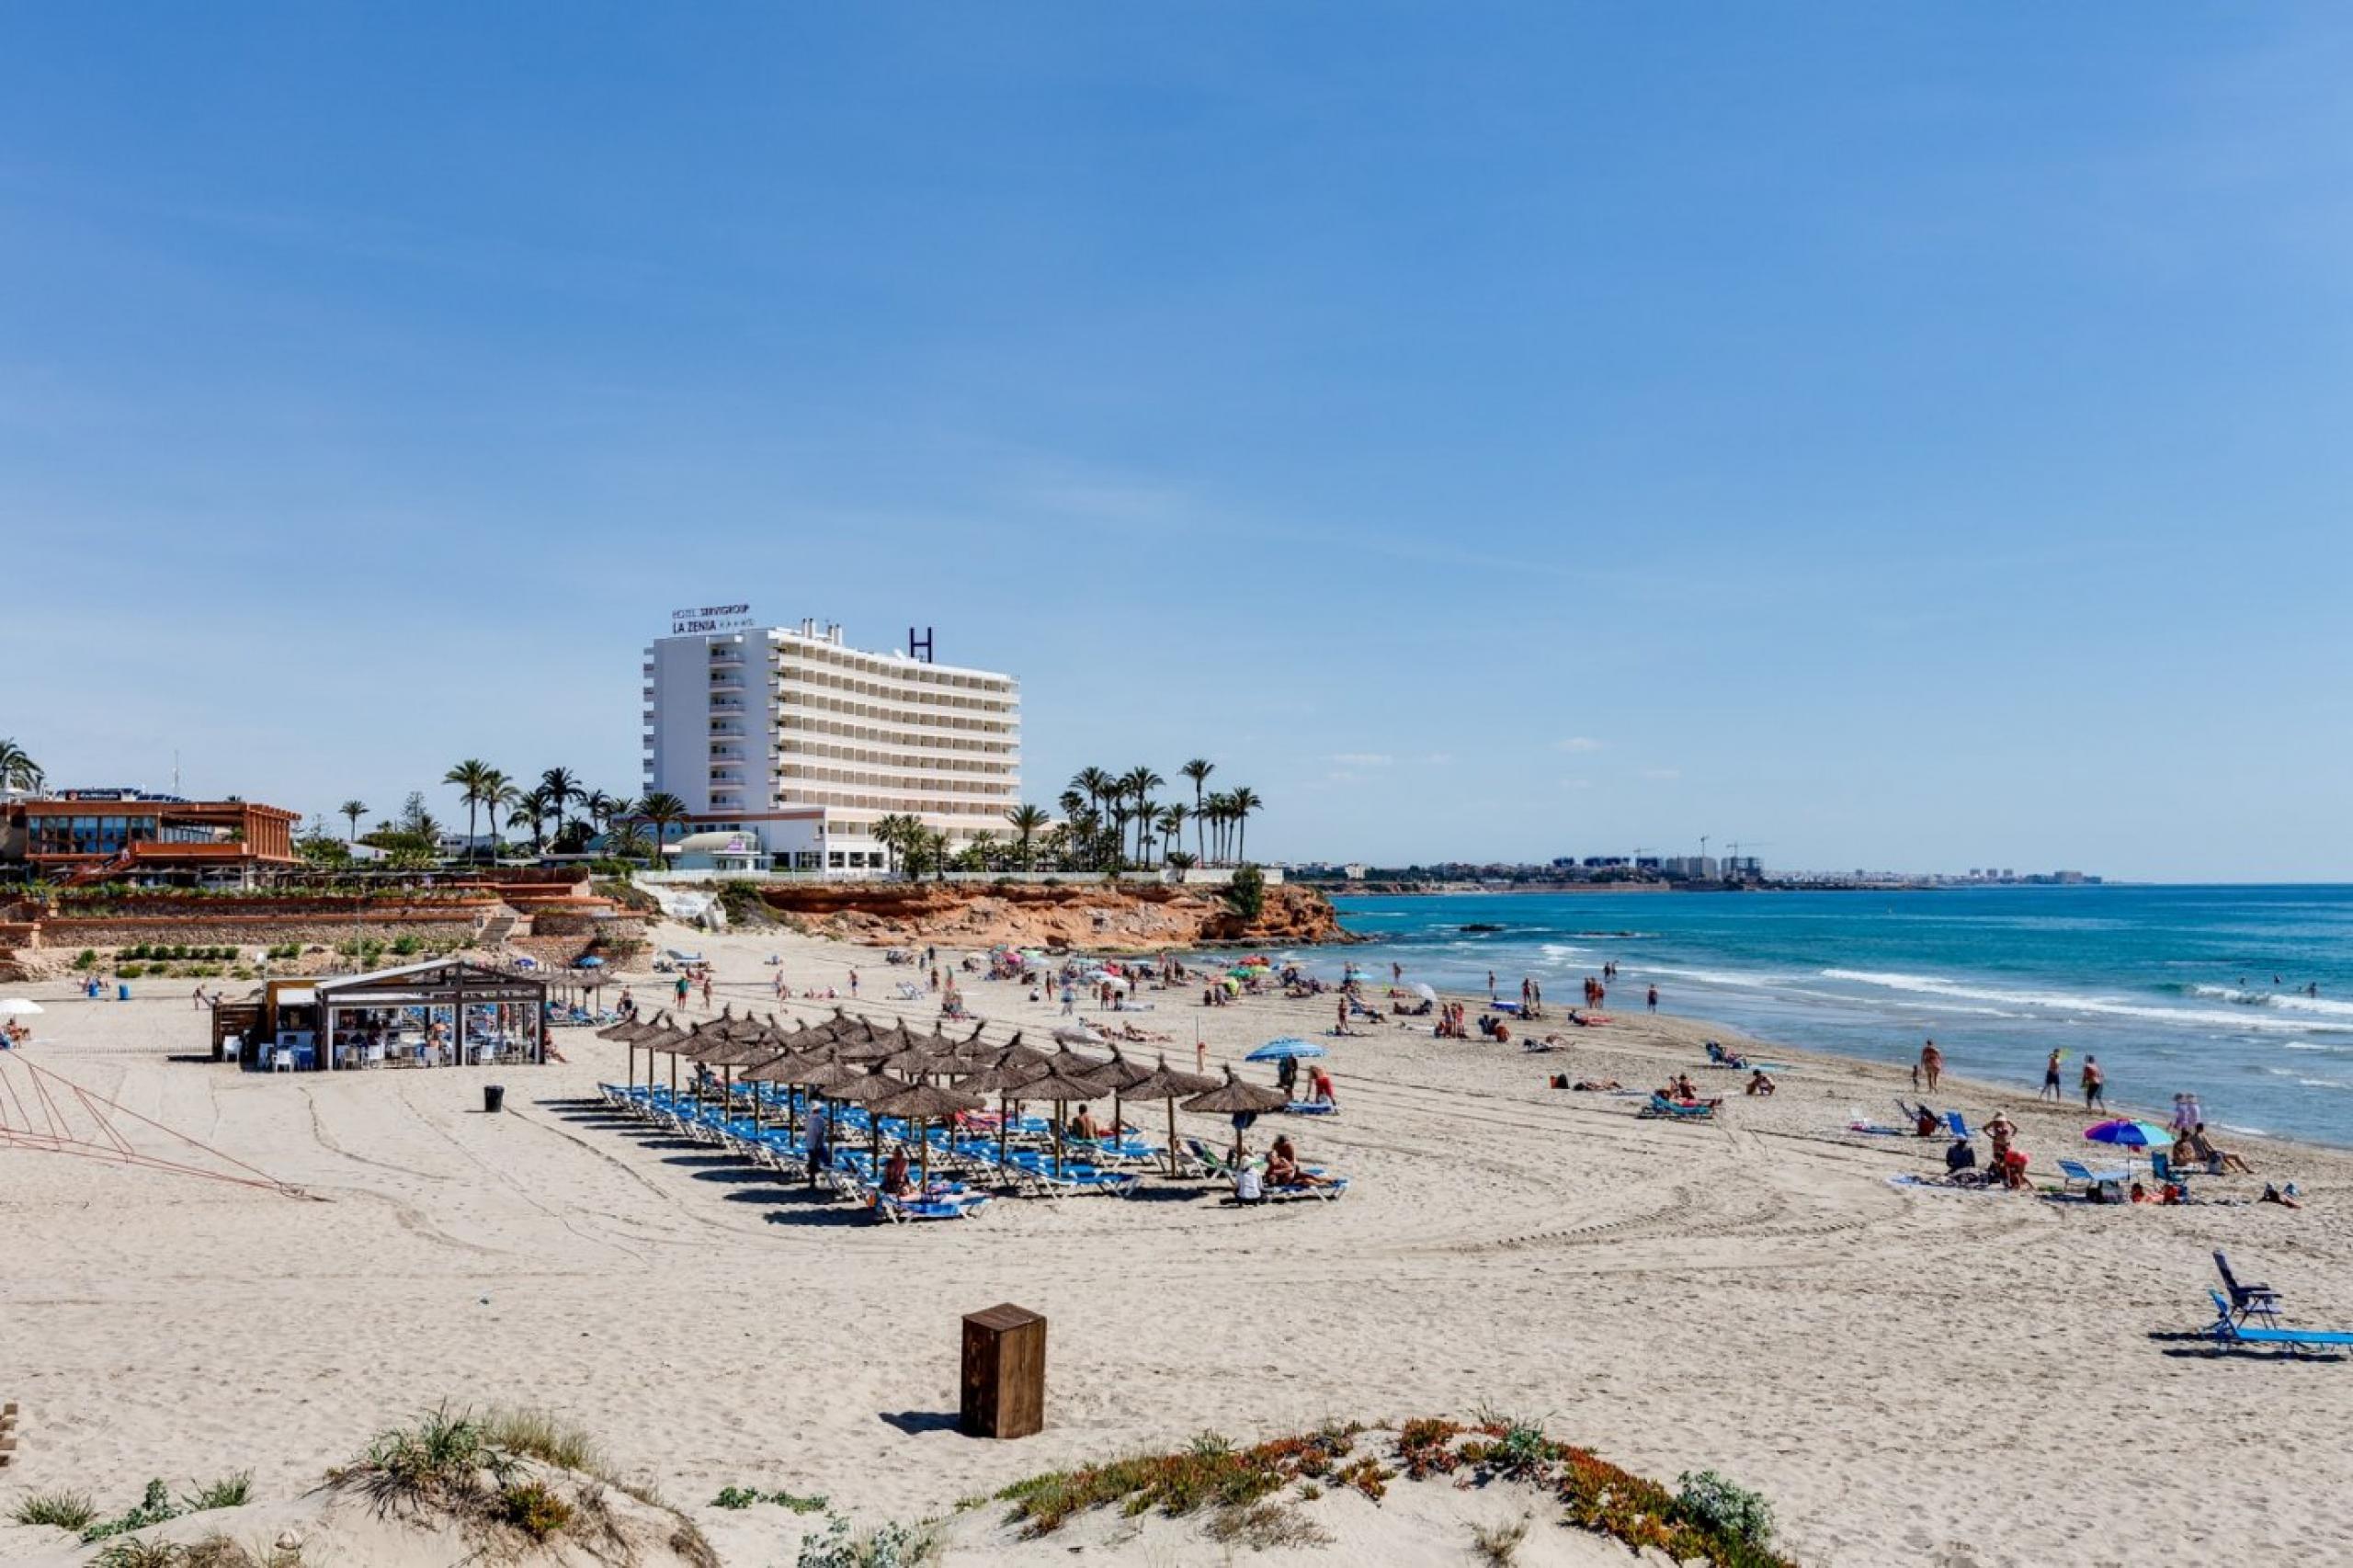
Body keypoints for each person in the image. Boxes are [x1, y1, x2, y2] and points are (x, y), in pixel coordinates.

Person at [1267, 1133, 1332, 1187]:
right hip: (1286, 1170)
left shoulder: (1289, 1146)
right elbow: (1273, 1158)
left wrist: (1290, 1169)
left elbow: (1293, 1160)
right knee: (1305, 1180)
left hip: (1291, 1166)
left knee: (1310, 1176)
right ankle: (1321, 1184)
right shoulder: (1276, 1147)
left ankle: (1329, 1180)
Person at [2188, 1124, 2254, 1175]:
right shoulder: (2202, 1136)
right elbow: (2210, 1147)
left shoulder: (2191, 1138)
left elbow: (2196, 1148)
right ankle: (2247, 1170)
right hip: (2209, 1155)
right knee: (2235, 1155)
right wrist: (2217, 1150)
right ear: (2202, 1129)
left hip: (2200, 1156)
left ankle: (2235, 1169)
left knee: (2224, 1155)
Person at [803, 1102, 832, 1187]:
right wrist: (817, 1145)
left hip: (809, 1144)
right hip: (817, 1145)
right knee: (827, 1162)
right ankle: (826, 1178)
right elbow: (820, 1134)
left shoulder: (808, 1119)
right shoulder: (820, 1120)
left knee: (812, 1163)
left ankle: (812, 1182)